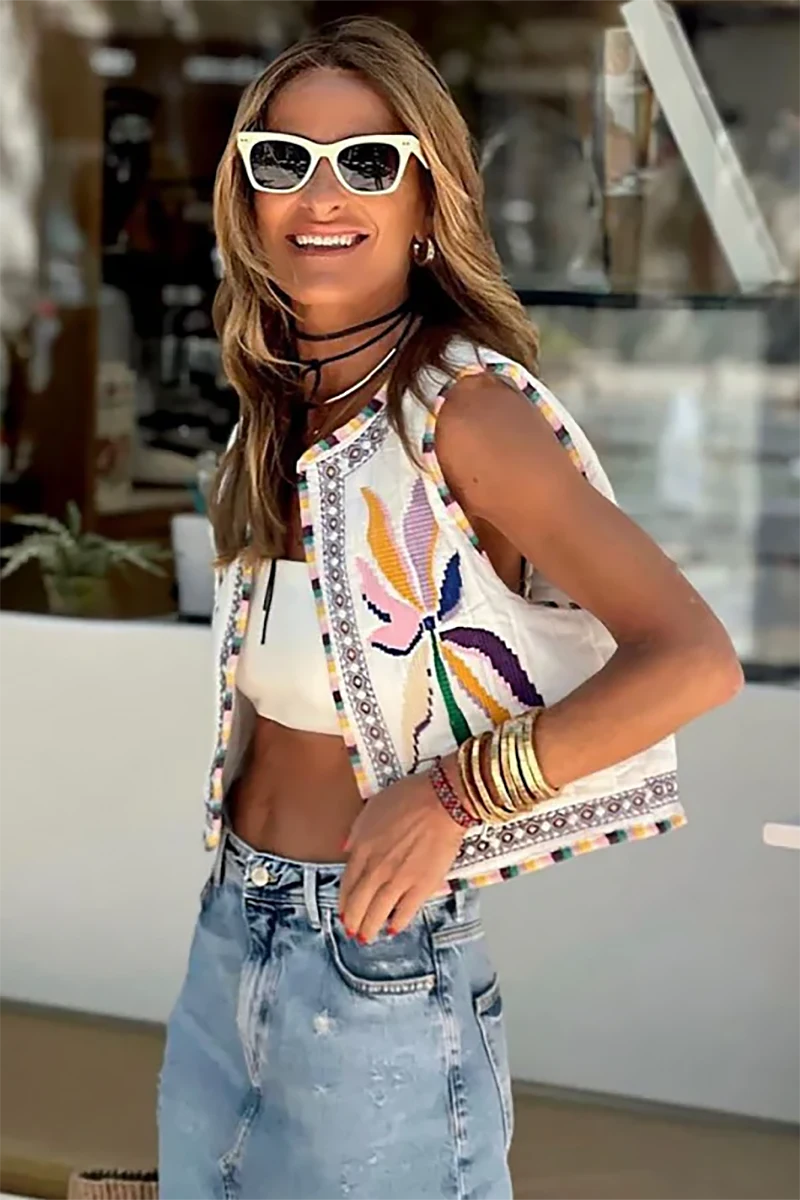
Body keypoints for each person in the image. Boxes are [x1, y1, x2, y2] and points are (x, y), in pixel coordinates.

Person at [158, 17, 742, 1199]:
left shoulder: (461, 411)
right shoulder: (276, 413)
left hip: (372, 962)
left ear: (427, 200)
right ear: (247, 196)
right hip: (232, 929)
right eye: (284, 159)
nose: (322, 194)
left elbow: (691, 657)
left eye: (369, 161)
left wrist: (452, 796)